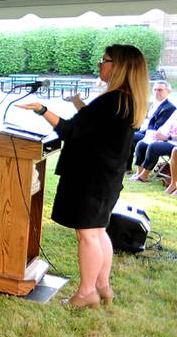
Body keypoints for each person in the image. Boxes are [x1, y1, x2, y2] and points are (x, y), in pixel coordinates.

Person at [18, 44, 148, 308]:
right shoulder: (127, 99)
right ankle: (102, 286)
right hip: (107, 178)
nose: (100, 64)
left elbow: (69, 130)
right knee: (98, 232)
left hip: (92, 177)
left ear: (119, 66)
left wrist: (42, 110)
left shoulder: (112, 99)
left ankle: (87, 292)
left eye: (105, 60)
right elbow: (89, 128)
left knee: (88, 235)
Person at [127, 81, 174, 170]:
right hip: (144, 130)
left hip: (155, 135)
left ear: (168, 91)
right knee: (127, 131)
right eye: (155, 90)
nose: (157, 92)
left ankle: (127, 167)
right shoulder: (153, 104)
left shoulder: (169, 107)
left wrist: (140, 131)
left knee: (131, 136)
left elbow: (157, 127)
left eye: (160, 90)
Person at [129, 107, 177, 182]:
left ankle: (144, 176)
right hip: (165, 138)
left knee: (153, 147)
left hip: (173, 143)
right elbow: (167, 125)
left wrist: (167, 137)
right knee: (142, 144)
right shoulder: (175, 112)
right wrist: (158, 133)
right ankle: (139, 172)